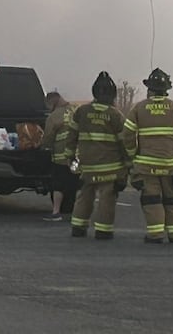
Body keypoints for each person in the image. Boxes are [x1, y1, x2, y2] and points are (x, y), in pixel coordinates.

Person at [124, 68, 173, 244]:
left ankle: (155, 235)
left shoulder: (139, 108)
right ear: (166, 89)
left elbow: (128, 134)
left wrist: (133, 154)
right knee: (172, 198)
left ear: (150, 89)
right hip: (170, 164)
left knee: (151, 198)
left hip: (147, 165)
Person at [66, 73, 127, 239]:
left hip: (87, 165)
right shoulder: (116, 115)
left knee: (84, 196)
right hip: (111, 167)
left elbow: (71, 136)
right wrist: (128, 163)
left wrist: (70, 157)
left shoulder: (81, 112)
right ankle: (103, 231)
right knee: (107, 199)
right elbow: (124, 143)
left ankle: (78, 228)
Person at [40, 91, 79, 222]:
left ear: (52, 102)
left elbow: (48, 138)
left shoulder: (54, 116)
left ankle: (56, 212)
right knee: (78, 183)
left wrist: (42, 147)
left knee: (58, 185)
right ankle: (80, 212)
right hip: (80, 156)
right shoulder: (76, 110)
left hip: (61, 158)